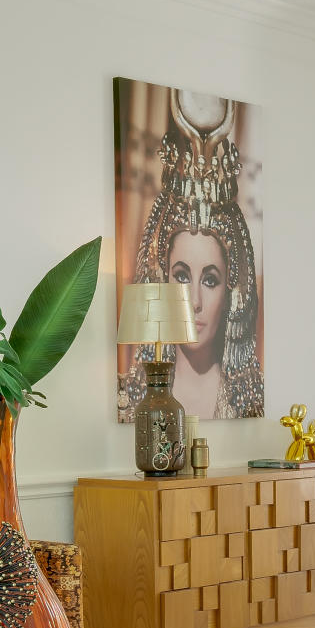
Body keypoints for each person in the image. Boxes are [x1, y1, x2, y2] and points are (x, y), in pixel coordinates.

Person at [119, 89, 262, 420]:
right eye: (181, 276)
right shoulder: (128, 402)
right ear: (161, 275)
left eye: (210, 280)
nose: (193, 301)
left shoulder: (251, 406)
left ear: (231, 290)